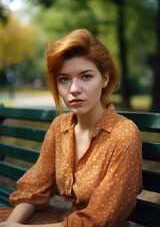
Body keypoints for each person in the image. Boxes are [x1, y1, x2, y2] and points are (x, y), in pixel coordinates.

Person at [0, 29, 142, 227]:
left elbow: (99, 219)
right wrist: (12, 224)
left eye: (86, 77)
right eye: (64, 79)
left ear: (105, 79)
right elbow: (34, 186)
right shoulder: (60, 126)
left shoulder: (123, 134)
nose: (74, 89)